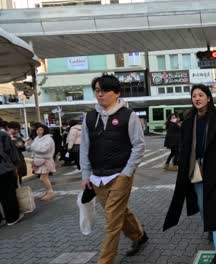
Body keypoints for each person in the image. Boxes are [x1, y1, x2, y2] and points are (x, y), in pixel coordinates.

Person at [80, 74, 147, 264]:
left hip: (120, 175)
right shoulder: (89, 117)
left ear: (116, 93)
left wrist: (127, 173)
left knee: (111, 220)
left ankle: (105, 260)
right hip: (97, 178)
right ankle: (139, 235)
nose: (100, 95)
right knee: (119, 212)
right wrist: (86, 174)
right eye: (97, 90)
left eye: (104, 90)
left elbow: (139, 146)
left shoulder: (129, 115)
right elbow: (85, 146)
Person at [164, 84, 216, 264]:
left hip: (215, 168)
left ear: (208, 98)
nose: (197, 98)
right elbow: (184, 146)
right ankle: (211, 226)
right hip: (195, 167)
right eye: (194, 95)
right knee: (203, 204)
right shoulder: (188, 121)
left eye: (201, 95)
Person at [0, 119, 23, 226]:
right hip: (4, 169)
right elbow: (11, 153)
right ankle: (12, 218)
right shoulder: (3, 135)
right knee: (9, 193)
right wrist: (16, 166)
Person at [26, 124, 56, 200]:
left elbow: (43, 149)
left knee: (43, 178)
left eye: (41, 130)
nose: (39, 131)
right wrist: (28, 144)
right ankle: (49, 191)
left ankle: (50, 192)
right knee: (42, 178)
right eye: (37, 130)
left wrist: (32, 145)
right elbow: (31, 149)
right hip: (40, 160)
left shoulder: (48, 139)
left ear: (45, 131)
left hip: (46, 160)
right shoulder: (37, 138)